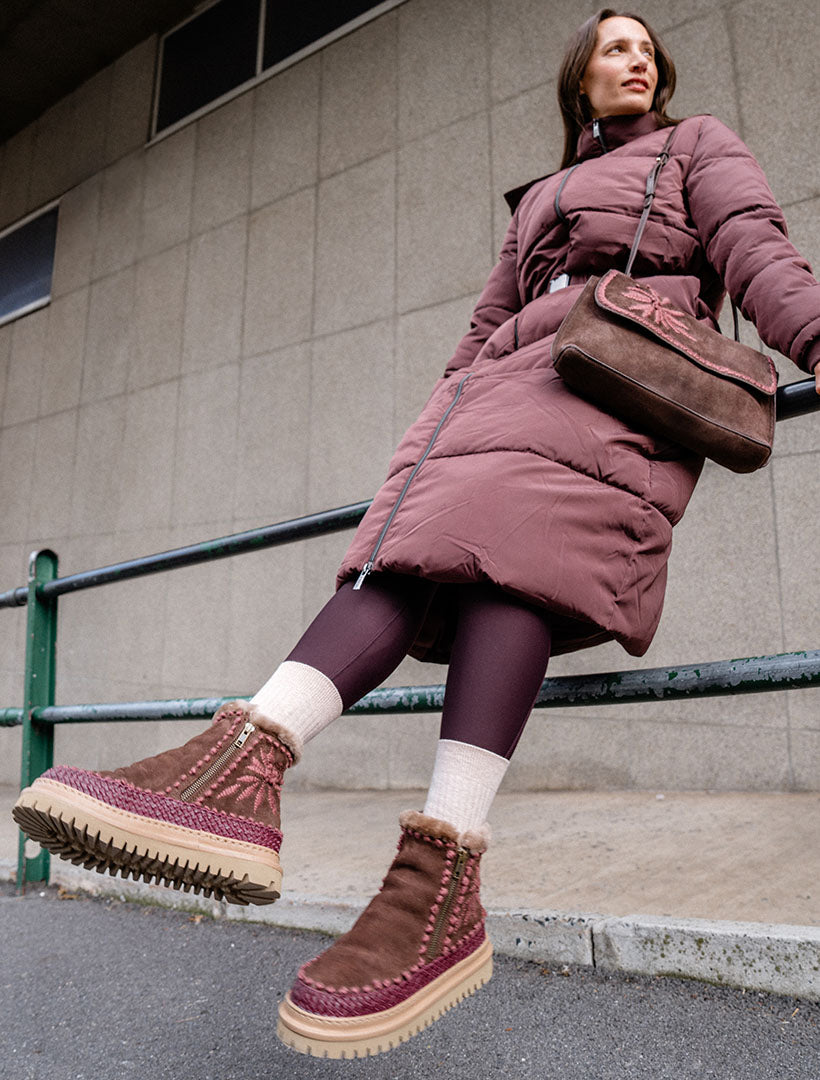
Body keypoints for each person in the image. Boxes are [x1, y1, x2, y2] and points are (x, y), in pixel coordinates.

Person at [13, 7, 820, 1060]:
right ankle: (246, 765)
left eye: (647, 49)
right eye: (613, 46)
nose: (637, 59)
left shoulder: (696, 144)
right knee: (406, 548)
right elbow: (484, 325)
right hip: (498, 395)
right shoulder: (534, 200)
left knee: (516, 567)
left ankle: (437, 870)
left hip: (620, 381)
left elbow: (754, 249)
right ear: (578, 76)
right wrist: (433, 424)